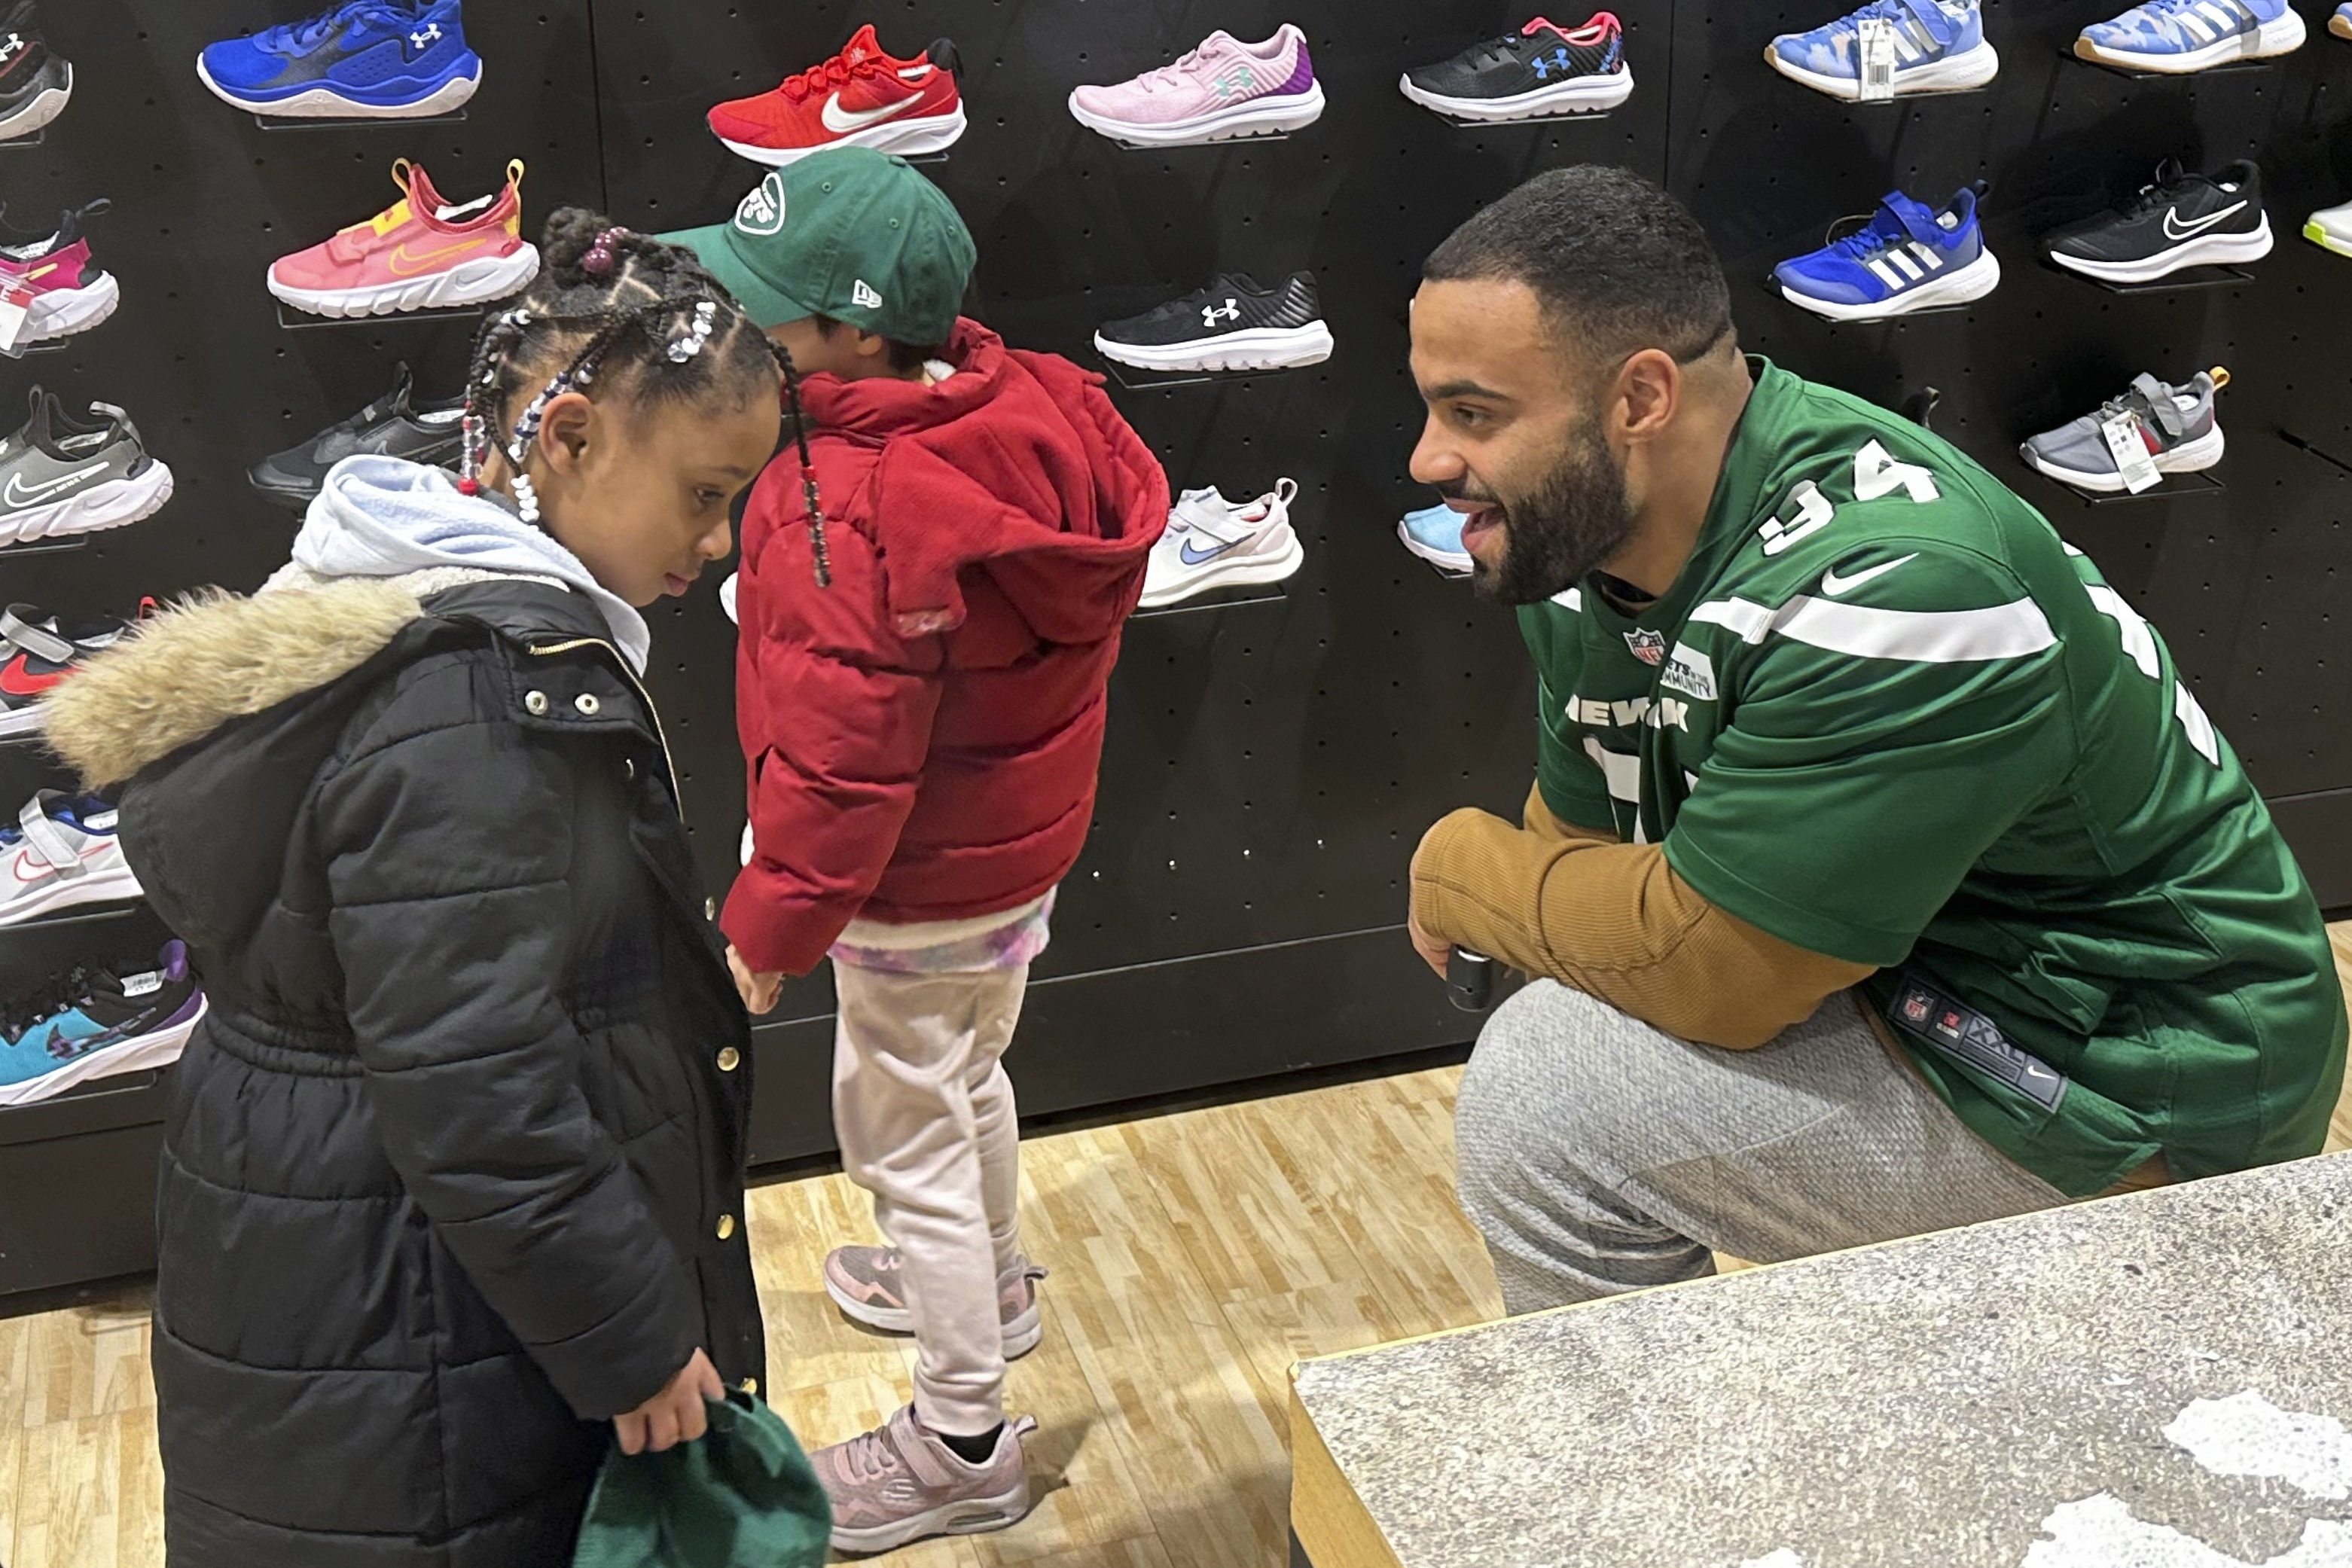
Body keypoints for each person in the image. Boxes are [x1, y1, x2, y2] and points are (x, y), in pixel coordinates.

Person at [1402, 166, 2348, 1316]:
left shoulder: (1899, 580)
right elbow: (1583, 865)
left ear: (1640, 399)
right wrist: (1534, 896)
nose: (1428, 461)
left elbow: (1720, 976)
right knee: (1569, 1006)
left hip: (2143, 1067)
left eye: (1474, 414)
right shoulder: (1593, 542)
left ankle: (1645, 1479)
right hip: (1927, 973)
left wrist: (1457, 864)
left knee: (1550, 1098)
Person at [38, 212, 786, 1567]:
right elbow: (476, 1085)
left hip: (366, 1279)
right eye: (703, 492)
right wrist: (633, 1339)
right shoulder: (470, 713)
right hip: (420, 1320)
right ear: (567, 443)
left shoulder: (401, 614)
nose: (722, 543)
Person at [664, 148, 1167, 1554]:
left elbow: (837, 767)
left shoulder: (842, 502)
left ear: (859, 332)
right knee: (967, 1077)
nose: (738, 322)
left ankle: (960, 1435)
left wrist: (765, 927)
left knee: (904, 1137)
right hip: (1010, 864)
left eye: (771, 306)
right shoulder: (1037, 405)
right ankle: (993, 1284)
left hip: (908, 892)